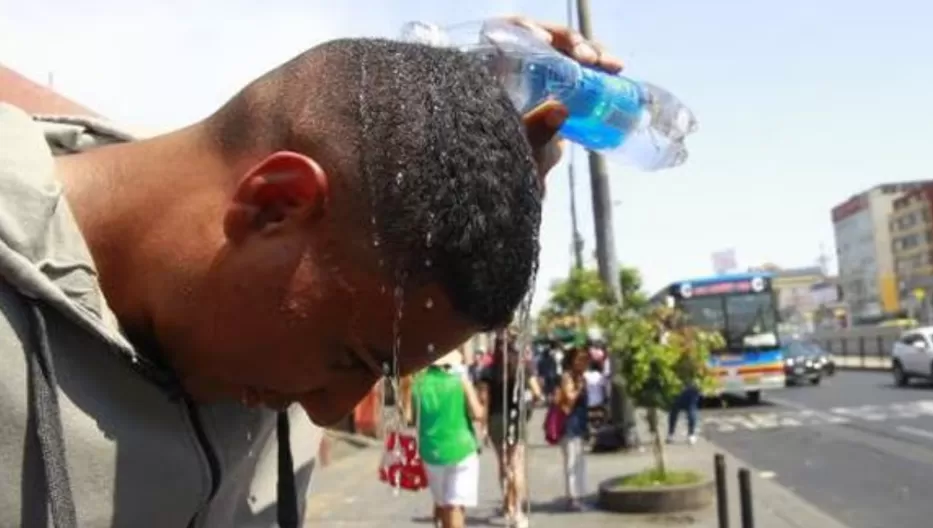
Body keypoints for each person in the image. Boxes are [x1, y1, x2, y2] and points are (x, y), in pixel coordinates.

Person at [0, 16, 623, 527]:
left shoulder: (283, 305)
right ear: (274, 203)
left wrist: (462, 115)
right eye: (350, 357)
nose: (329, 412)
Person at [406, 353, 484, 528]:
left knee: (442, 502)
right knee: (455, 504)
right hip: (462, 448)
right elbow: (478, 413)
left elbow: (409, 417)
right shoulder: (459, 381)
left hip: (431, 450)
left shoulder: (418, 384)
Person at [477, 335, 541, 528]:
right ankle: (519, 513)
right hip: (515, 419)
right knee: (517, 465)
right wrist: (529, 406)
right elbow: (537, 393)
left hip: (496, 420)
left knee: (503, 465)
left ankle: (508, 506)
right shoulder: (523, 368)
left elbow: (484, 401)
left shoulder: (488, 371)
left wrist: (484, 426)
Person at [556, 346, 590, 511]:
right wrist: (579, 389)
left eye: (585, 359)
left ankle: (579, 495)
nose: (583, 363)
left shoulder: (580, 377)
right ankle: (572, 498)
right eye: (580, 359)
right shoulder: (567, 377)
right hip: (569, 425)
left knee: (579, 461)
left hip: (579, 424)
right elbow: (568, 400)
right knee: (571, 462)